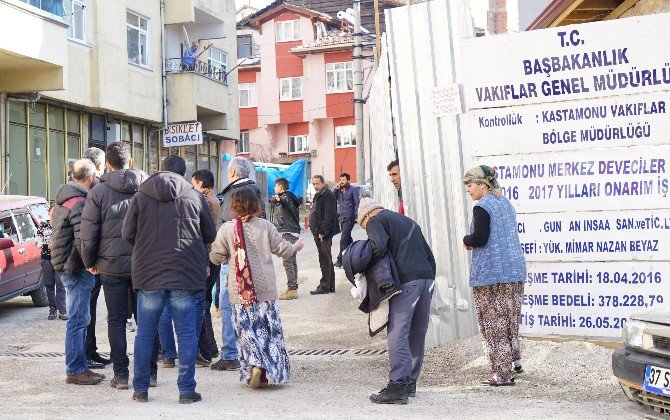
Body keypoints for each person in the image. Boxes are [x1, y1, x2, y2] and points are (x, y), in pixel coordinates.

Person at [123, 155, 216, 404]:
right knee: (186, 333)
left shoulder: (141, 196)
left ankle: (140, 389)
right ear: (184, 174)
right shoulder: (195, 196)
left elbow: (127, 233)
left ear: (159, 170)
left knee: (144, 333)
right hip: (185, 274)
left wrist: (145, 246)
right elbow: (210, 233)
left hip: (148, 273)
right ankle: (186, 390)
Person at [210, 188, 304, 389]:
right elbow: (283, 250)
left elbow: (217, 257)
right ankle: (270, 369)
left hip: (239, 290)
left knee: (246, 331)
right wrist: (295, 247)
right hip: (265, 289)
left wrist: (224, 254)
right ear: (256, 205)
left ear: (234, 206)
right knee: (269, 331)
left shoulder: (227, 229)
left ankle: (254, 364)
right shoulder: (265, 226)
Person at [80, 142, 149, 390]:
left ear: (106, 164)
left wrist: (90, 262)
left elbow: (88, 234)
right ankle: (148, 373)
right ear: (130, 161)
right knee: (146, 319)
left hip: (110, 267)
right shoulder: (147, 187)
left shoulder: (98, 192)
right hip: (144, 265)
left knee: (116, 320)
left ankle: (121, 376)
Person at [358, 197, 436, 404]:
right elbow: (430, 255)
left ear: (366, 215)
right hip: (426, 278)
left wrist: (360, 262)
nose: (366, 228)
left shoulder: (376, 220)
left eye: (362, 225)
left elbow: (378, 247)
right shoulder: (406, 220)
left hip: (407, 282)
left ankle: (397, 386)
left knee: (397, 332)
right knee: (417, 332)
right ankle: (410, 383)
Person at [462, 165, 526, 387]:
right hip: (515, 271)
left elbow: (480, 238)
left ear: (483, 185)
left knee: (493, 323)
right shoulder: (505, 203)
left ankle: (503, 374)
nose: (468, 190)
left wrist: (466, 240)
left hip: (492, 274)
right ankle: (514, 362)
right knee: (509, 319)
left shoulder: (482, 206)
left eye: (470, 185)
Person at [51, 159, 103, 386]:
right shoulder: (80, 203)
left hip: (65, 264)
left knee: (79, 318)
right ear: (90, 178)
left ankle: (79, 366)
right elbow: (84, 239)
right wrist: (91, 263)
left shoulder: (64, 196)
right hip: (75, 267)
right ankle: (76, 369)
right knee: (79, 320)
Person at [211, 157, 263, 372]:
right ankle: (253, 353)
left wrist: (216, 253)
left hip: (234, 261)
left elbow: (228, 229)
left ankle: (230, 354)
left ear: (232, 173)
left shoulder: (234, 194)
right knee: (252, 306)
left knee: (227, 303)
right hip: (255, 259)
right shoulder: (256, 191)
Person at [82, 147, 110, 370]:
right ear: (100, 166)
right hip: (93, 259)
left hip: (88, 257)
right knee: (86, 309)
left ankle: (90, 350)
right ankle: (87, 352)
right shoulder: (98, 188)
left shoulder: (78, 186)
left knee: (87, 308)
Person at [192, 169, 221, 365]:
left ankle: (207, 348)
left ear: (201, 183)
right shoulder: (214, 199)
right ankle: (210, 347)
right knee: (205, 301)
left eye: (193, 183)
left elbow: (205, 232)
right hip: (211, 255)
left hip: (206, 255)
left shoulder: (206, 202)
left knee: (201, 302)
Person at [271, 178, 302, 300]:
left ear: (280, 187)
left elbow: (285, 202)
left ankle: (292, 289)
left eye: (275, 187)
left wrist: (279, 199)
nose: (274, 189)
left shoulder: (286, 197)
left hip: (288, 232)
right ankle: (293, 288)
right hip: (291, 232)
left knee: (288, 260)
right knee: (291, 260)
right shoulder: (290, 197)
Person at [309, 175, 339, 295]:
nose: (315, 186)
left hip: (323, 233)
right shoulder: (320, 194)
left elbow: (329, 215)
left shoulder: (327, 194)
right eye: (313, 184)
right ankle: (330, 286)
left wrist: (322, 231)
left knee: (324, 259)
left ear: (322, 183)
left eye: (317, 184)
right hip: (319, 232)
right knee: (326, 258)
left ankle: (324, 286)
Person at [38, 203, 67, 321]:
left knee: (61, 285)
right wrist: (49, 246)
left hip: (60, 259)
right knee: (49, 284)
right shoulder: (43, 226)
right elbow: (38, 243)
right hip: (46, 259)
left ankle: (63, 310)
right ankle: (52, 309)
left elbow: (66, 242)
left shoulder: (63, 225)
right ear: (49, 212)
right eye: (53, 211)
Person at [333, 173, 360, 268]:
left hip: (350, 218)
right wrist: (336, 189)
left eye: (343, 179)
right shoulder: (339, 191)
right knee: (348, 239)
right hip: (342, 218)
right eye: (340, 179)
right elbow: (332, 198)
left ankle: (341, 261)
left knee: (343, 240)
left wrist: (359, 215)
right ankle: (356, 254)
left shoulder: (353, 189)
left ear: (348, 180)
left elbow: (357, 203)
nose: (341, 181)